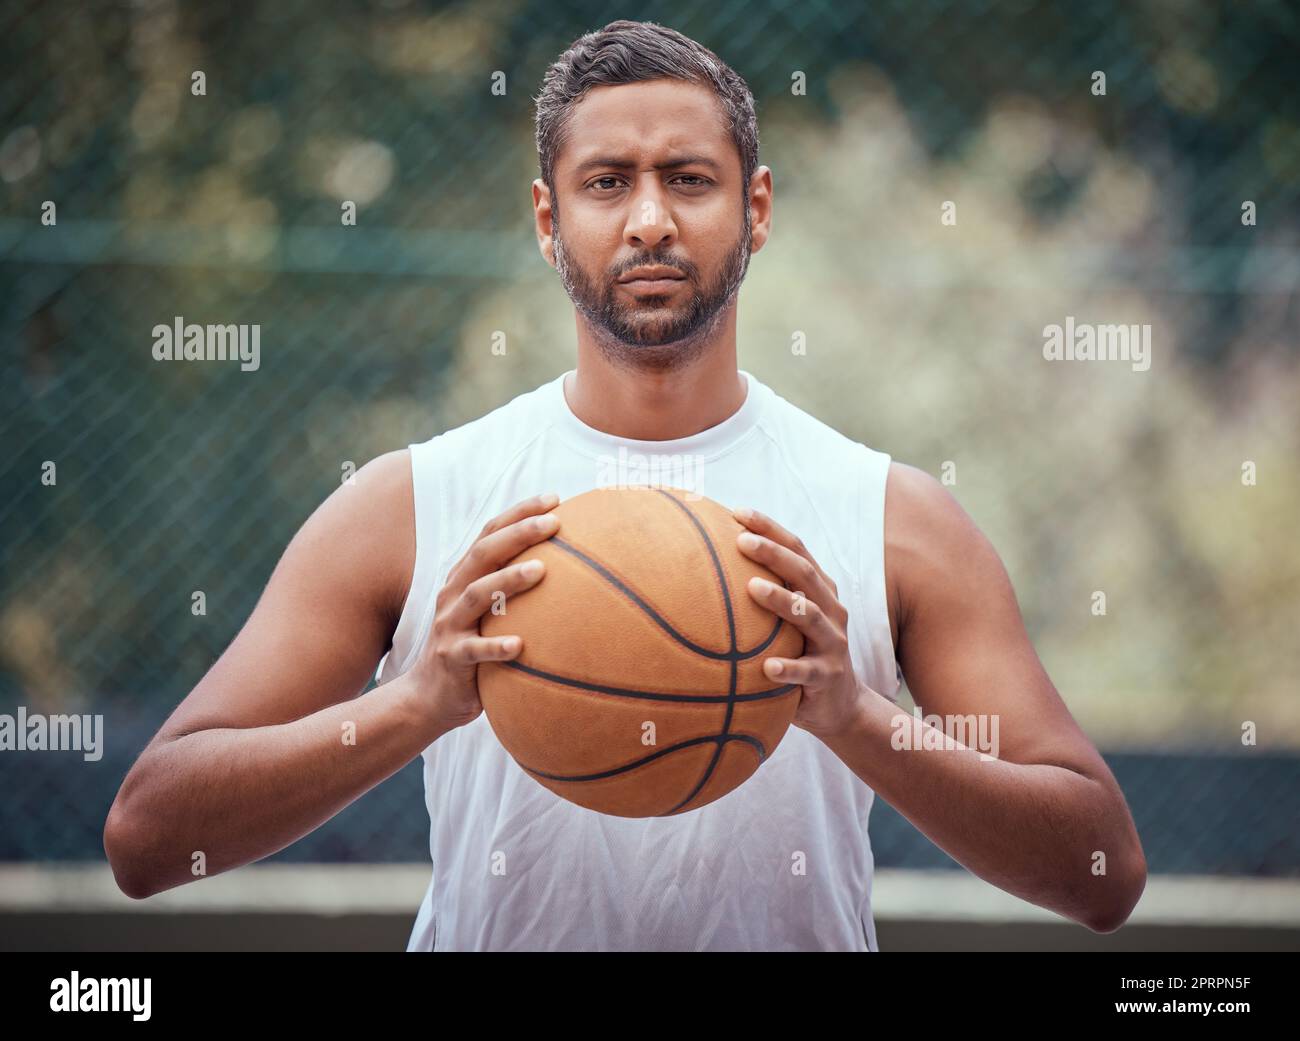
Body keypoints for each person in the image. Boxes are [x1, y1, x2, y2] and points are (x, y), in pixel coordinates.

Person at [104, 19, 1146, 950]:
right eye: (607, 183)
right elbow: (148, 840)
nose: (649, 219)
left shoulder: (892, 519)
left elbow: (1101, 875)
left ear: (758, 206)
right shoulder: (410, 505)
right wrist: (415, 703)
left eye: (688, 179)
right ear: (549, 220)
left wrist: (856, 718)